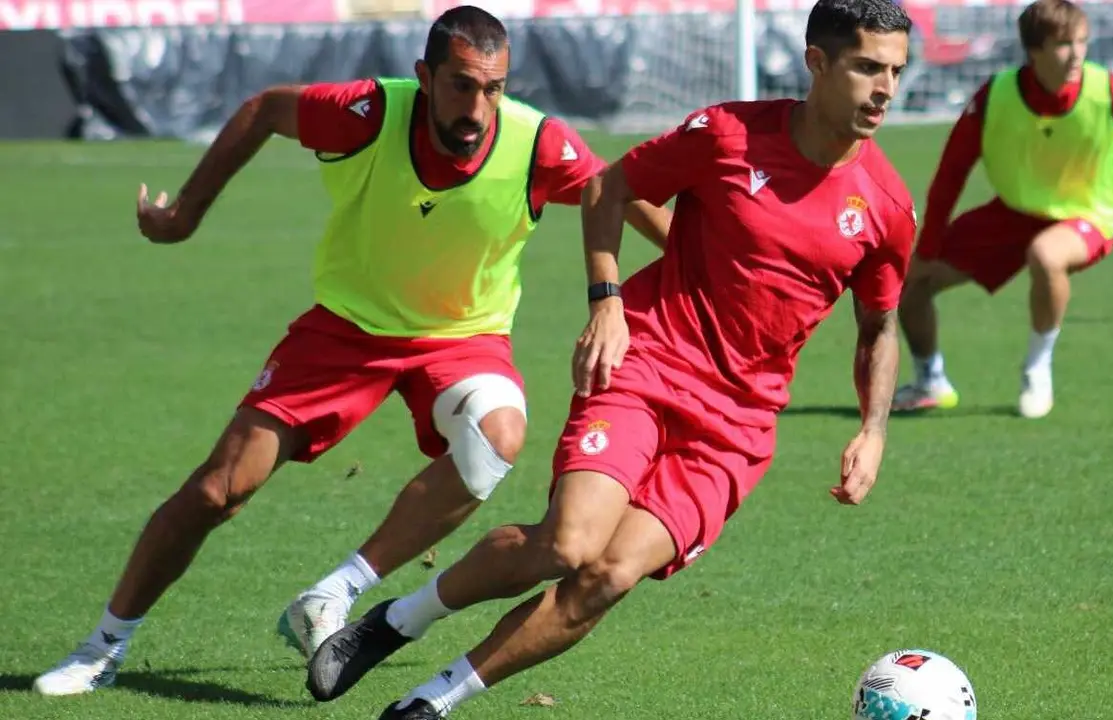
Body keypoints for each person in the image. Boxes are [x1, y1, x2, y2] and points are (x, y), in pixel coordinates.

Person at [33, 5, 671, 698]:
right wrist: (186, 211)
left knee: (497, 438)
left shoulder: (536, 142)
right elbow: (264, 109)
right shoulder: (366, 114)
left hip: (462, 338)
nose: (479, 107)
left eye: (493, 88)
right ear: (425, 77)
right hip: (345, 331)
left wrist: (705, 257)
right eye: (461, 85)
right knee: (222, 488)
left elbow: (613, 190)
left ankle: (334, 593)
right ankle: (103, 645)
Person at [302, 0, 917, 717]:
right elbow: (608, 186)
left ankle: (432, 702)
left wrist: (873, 429)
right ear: (818, 63)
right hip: (649, 366)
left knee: (609, 576)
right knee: (568, 544)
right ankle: (398, 621)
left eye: (897, 72)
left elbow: (879, 327)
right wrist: (607, 301)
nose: (885, 89)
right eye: (868, 67)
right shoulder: (726, 134)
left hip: (738, 427)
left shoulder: (887, 205)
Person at [891, 0, 1113, 419]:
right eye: (1063, 44)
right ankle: (930, 380)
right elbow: (951, 173)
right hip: (1012, 214)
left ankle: (1037, 368)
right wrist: (928, 247)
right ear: (1034, 52)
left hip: (1088, 214)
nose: (1076, 54)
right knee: (909, 284)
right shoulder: (993, 97)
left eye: (1082, 42)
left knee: (1047, 256)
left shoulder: (1112, 93)